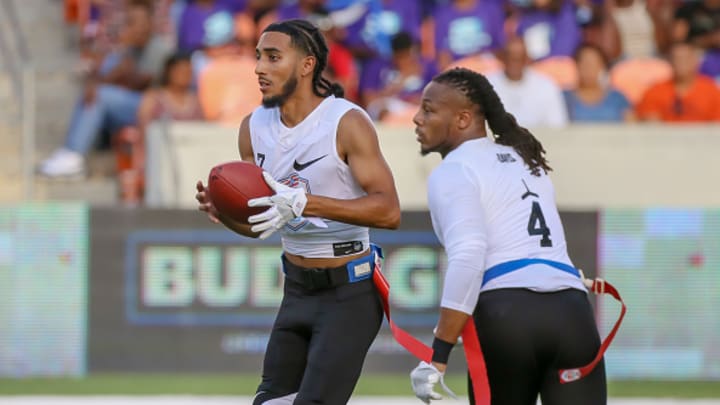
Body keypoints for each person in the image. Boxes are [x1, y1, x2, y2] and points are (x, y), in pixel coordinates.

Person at [195, 18, 401, 405]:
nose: (259, 67)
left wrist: (308, 203)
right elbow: (261, 226)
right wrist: (227, 213)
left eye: (273, 57)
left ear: (307, 65)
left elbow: (389, 211)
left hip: (349, 292)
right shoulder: (253, 128)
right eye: (258, 57)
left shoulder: (345, 121)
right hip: (296, 289)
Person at [408, 67, 606, 404]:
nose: (416, 118)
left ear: (462, 119)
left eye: (428, 109)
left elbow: (470, 255)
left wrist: (438, 353)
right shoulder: (526, 158)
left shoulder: (454, 170)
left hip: (507, 316)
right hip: (572, 312)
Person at [39, 1, 174, 178]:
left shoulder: (159, 48)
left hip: (154, 111)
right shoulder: (130, 48)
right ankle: (71, 151)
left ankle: (74, 154)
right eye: (130, 22)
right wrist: (98, 80)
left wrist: (113, 72)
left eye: (136, 22)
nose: (133, 27)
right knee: (96, 90)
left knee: (101, 95)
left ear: (150, 22)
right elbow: (101, 74)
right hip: (131, 108)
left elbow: (139, 82)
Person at [487, 37, 569, 128]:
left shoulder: (546, 86)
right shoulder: (484, 85)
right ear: (502, 58)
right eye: (510, 57)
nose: (514, 62)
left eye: (519, 58)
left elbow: (557, 126)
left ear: (527, 59)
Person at [635, 41, 720, 122]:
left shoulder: (711, 91)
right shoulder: (655, 91)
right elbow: (646, 118)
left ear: (695, 61)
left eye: (686, 58)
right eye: (677, 58)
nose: (681, 63)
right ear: (670, 62)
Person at [564, 43, 633, 122]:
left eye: (594, 64)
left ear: (602, 66)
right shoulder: (565, 98)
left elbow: (632, 128)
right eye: (585, 64)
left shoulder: (617, 97)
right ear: (576, 65)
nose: (589, 69)